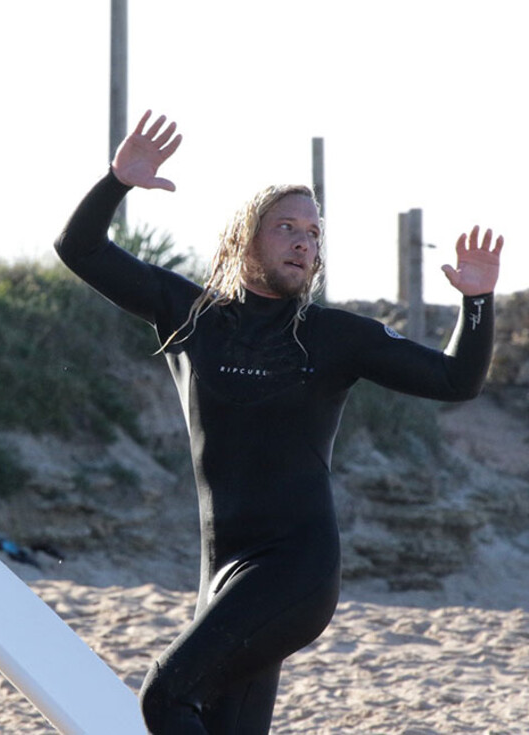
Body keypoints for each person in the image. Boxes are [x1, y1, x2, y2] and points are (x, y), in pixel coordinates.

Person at [54, 110, 504, 735]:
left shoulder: (336, 337)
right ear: (245, 239)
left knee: (166, 696)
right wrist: (117, 181)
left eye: (313, 234)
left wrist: (477, 302)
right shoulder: (191, 316)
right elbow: (78, 249)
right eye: (287, 228)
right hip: (222, 570)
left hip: (296, 569)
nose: (303, 242)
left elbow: (458, 380)